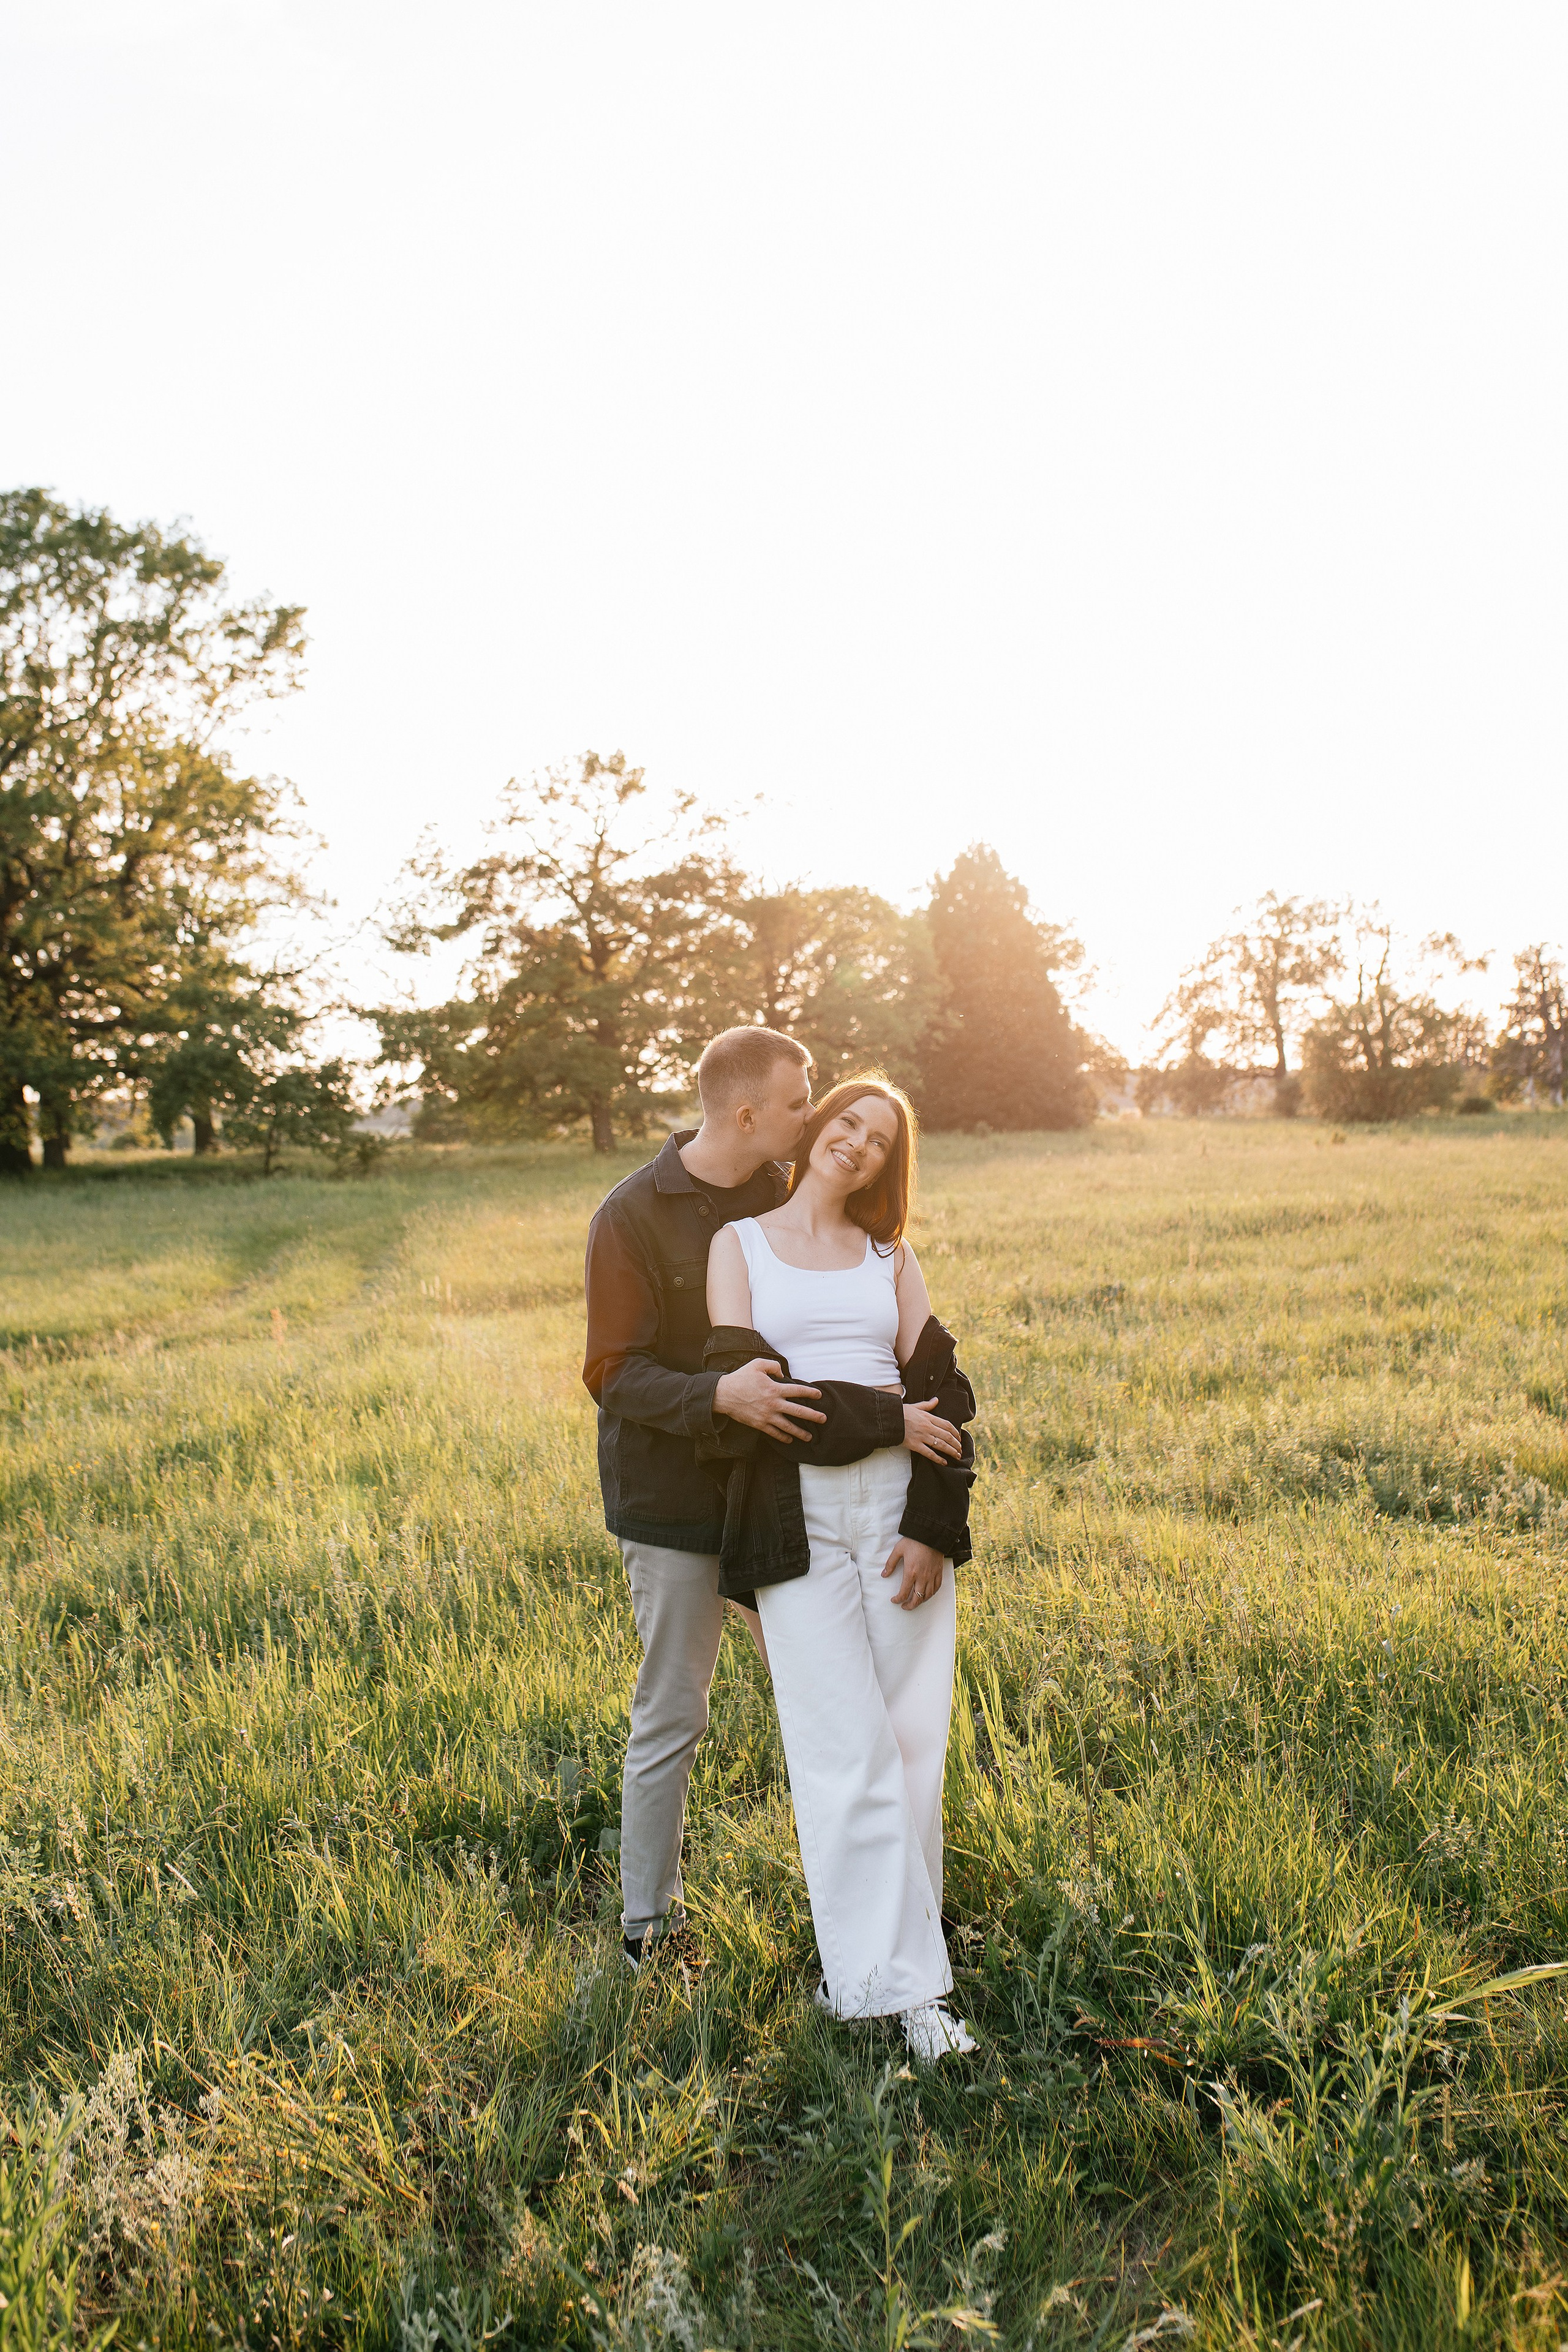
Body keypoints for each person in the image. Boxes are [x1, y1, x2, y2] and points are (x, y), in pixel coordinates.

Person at [703, 1077, 979, 2062]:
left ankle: (897, 1986)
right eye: (845, 1123)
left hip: (899, 1513)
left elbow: (946, 1395)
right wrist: (886, 1416)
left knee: (910, 1750)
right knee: (841, 1751)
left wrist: (933, 1527)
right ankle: (898, 1988)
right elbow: (765, 1407)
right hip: (794, 1520)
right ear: (817, 1129)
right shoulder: (735, 1250)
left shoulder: (888, 1257)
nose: (855, 1145)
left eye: (877, 1140)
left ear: (886, 1165)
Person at [582, 1025, 826, 1966]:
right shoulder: (632, 1213)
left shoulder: (789, 1196)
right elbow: (612, 1370)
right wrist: (718, 1394)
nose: (814, 1118)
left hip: (775, 1492)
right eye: (801, 1103)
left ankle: (852, 1899)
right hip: (675, 1499)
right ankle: (649, 1928)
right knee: (675, 1709)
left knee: (817, 1694)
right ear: (747, 1112)